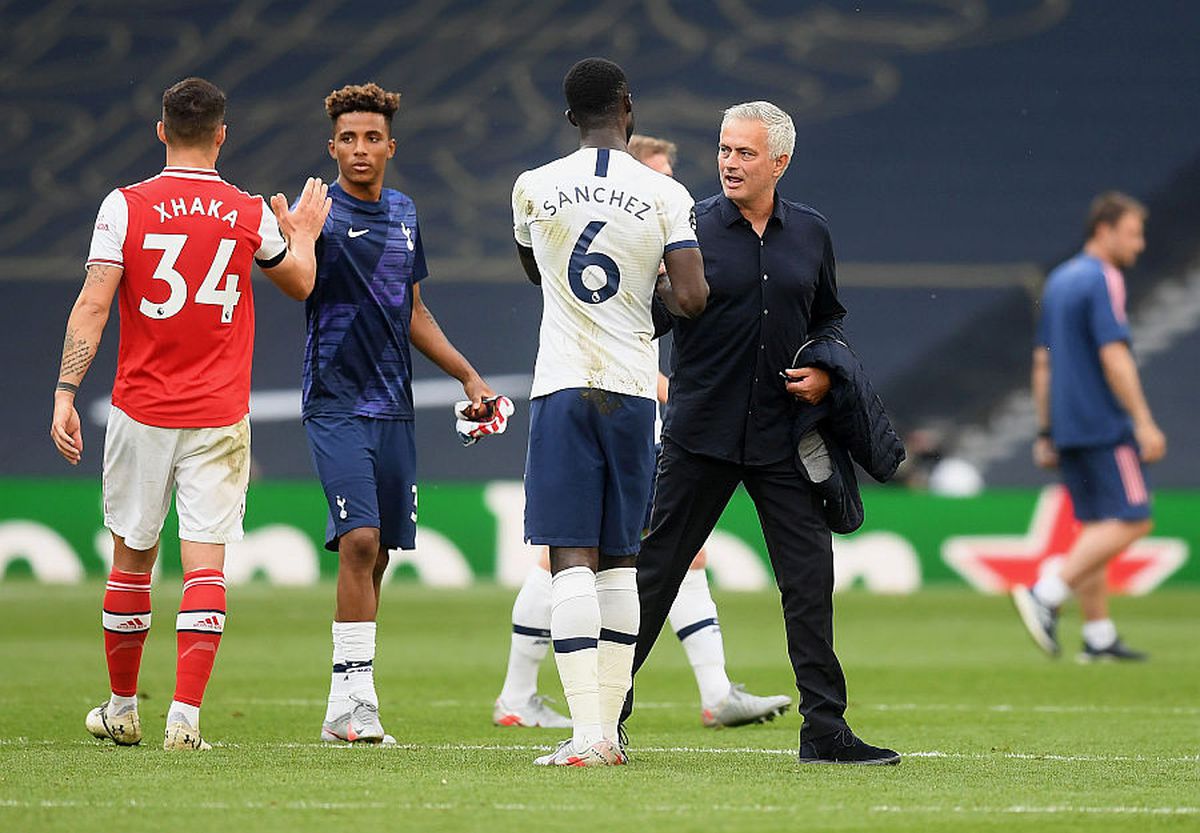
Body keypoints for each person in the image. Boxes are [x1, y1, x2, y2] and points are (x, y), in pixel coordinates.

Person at [49, 77, 329, 751]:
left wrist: (65, 390)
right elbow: (300, 283)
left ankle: (123, 708)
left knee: (131, 560)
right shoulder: (246, 211)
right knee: (206, 565)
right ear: (222, 135)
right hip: (218, 413)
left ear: (161, 130)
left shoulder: (124, 206)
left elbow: (93, 303)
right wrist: (305, 236)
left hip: (141, 408)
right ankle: (184, 718)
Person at [621, 101, 900, 765]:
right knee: (654, 576)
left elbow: (828, 320)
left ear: (780, 161)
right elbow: (644, 320)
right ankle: (604, 717)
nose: (729, 162)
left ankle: (825, 731)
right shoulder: (686, 226)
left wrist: (827, 373)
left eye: (745, 152)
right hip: (699, 435)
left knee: (810, 583)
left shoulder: (812, 232)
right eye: (724, 149)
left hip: (784, 439)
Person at [493, 134, 788, 731]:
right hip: (615, 397)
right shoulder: (643, 224)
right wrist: (673, 386)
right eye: (659, 175)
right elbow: (653, 313)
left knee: (641, 553)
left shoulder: (595, 217)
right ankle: (531, 698)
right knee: (582, 558)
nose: (665, 189)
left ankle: (707, 691)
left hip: (596, 397)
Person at [512, 58, 708, 766]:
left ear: (570, 115)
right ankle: (608, 737)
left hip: (563, 385)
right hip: (630, 388)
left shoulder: (533, 186)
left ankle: (587, 733)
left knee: (569, 558)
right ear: (629, 106)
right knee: (622, 561)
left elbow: (537, 271)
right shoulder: (666, 192)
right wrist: (646, 300)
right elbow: (692, 298)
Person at [304, 83, 499, 745]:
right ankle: (358, 703)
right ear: (332, 147)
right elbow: (297, 284)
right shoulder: (318, 213)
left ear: (391, 146)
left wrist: (467, 373)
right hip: (334, 401)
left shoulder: (405, 213)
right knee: (359, 541)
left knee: (379, 551)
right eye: (348, 139)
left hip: (394, 405)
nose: (360, 149)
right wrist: (293, 238)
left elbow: (411, 309)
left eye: (372, 137)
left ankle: (343, 703)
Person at [1012, 192, 1163, 662]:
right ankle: (1046, 593)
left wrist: (1045, 431)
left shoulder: (1060, 279)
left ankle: (1098, 637)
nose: (1139, 245)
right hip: (1103, 422)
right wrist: (1143, 421)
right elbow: (1114, 354)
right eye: (1133, 233)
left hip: (1068, 425)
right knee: (1134, 518)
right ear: (1105, 230)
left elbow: (1042, 363)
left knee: (1096, 526)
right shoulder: (1102, 278)